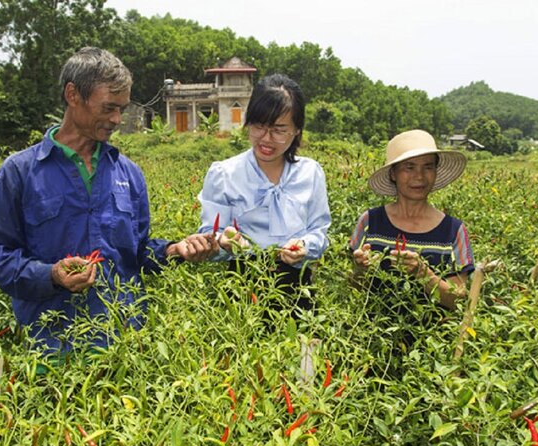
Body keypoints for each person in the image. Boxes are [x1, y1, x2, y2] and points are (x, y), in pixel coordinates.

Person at [0, 47, 217, 354]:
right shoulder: (20, 172)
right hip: (51, 345)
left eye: (121, 109)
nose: (117, 119)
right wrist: (51, 275)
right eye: (108, 108)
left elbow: (137, 253)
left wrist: (175, 250)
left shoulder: (128, 174)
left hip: (124, 344)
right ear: (73, 95)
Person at [196, 73, 331, 312]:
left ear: (297, 130)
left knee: (303, 348)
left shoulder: (310, 173)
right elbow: (210, 234)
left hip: (298, 290)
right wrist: (223, 242)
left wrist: (304, 245)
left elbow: (319, 232)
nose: (266, 139)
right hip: (242, 290)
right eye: (259, 126)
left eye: (279, 129)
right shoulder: (224, 174)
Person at [350, 129, 474, 310]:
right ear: (393, 174)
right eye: (409, 167)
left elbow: (459, 301)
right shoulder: (370, 222)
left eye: (428, 167)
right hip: (372, 335)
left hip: (434, 336)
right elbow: (354, 289)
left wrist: (423, 273)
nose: (420, 176)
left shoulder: (453, 230)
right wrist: (360, 269)